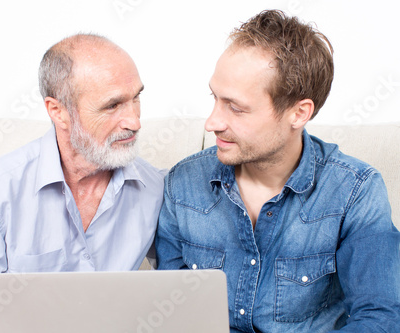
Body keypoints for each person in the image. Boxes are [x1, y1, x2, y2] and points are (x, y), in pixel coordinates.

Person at [156, 10, 400, 332]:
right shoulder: (181, 184)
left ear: (299, 113)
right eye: (214, 98)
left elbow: (380, 316)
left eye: (236, 107)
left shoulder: (355, 191)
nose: (212, 123)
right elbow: (171, 315)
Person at [0, 34, 165, 332]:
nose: (135, 121)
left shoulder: (155, 189)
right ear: (57, 111)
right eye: (112, 105)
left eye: (136, 98)